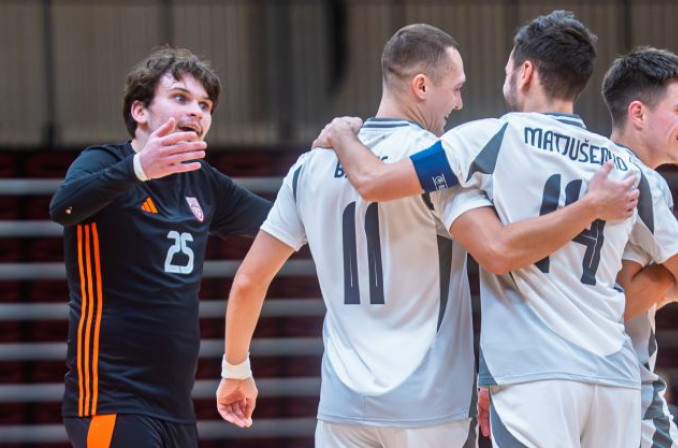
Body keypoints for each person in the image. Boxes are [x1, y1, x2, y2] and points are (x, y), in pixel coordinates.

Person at [215, 23, 636, 448]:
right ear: (421, 86)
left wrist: (235, 369)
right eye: (456, 89)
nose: (459, 102)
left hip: (342, 407)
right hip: (431, 406)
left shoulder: (310, 166)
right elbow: (497, 250)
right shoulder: (442, 167)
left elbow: (249, 280)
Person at [314, 10, 678, 447]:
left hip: (534, 374)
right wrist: (667, 274)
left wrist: (343, 135)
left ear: (525, 73)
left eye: (507, 70)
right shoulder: (624, 165)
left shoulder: (489, 138)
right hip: (613, 375)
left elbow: (374, 182)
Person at [50, 47, 272, 447]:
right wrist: (138, 169)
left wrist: (322, 168)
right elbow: (63, 208)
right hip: (110, 400)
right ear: (140, 111)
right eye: (180, 98)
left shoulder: (204, 181)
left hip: (175, 407)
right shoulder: (102, 161)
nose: (196, 112)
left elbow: (281, 222)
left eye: (204, 105)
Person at [603, 46, 678, 448]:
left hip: (561, 378)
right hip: (624, 384)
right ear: (638, 113)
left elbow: (607, 297)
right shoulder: (640, 178)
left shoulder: (585, 167)